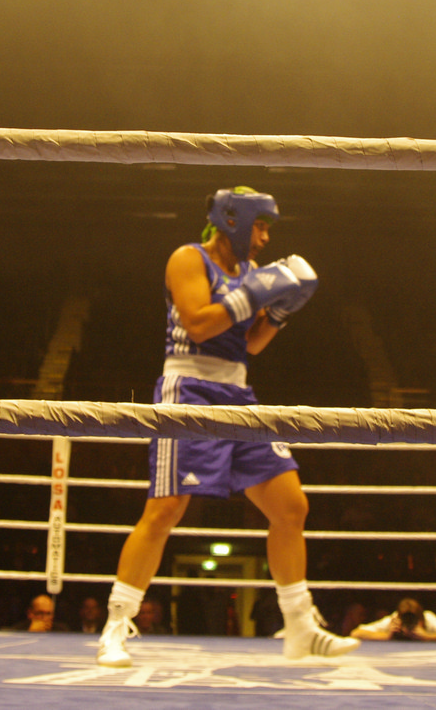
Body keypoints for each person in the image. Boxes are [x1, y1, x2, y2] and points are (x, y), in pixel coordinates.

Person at [96, 187, 359, 668]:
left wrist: (279, 313)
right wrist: (253, 295)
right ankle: (116, 626)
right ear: (232, 221)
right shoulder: (188, 259)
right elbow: (198, 324)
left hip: (238, 394)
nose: (265, 238)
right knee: (165, 509)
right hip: (189, 389)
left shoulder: (252, 272)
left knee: (291, 507)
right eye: (260, 226)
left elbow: (251, 343)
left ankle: (299, 626)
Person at [350, 597, 436, 642]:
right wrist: (387, 636)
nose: (409, 625)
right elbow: (356, 633)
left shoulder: (429, 618)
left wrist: (428, 637)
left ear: (421, 620)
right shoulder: (394, 619)